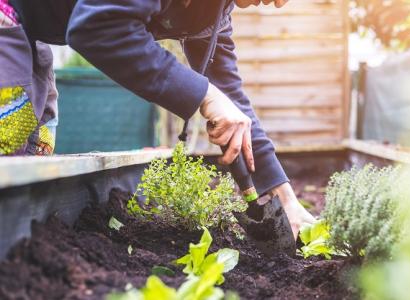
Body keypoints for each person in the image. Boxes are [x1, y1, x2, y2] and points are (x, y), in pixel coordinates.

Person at [0, 0, 315, 237]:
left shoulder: (213, 10)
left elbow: (230, 97)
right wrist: (205, 95)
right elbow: (95, 27)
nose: (280, 3)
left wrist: (282, 193)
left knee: (34, 150)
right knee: (7, 151)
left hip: (31, 30)